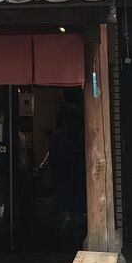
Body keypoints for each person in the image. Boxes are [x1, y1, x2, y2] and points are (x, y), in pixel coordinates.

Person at [49, 101, 86, 240]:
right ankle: (77, 230)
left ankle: (66, 221)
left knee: (64, 203)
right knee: (78, 205)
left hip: (62, 175)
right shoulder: (83, 136)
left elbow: (53, 157)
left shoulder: (57, 136)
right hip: (80, 176)